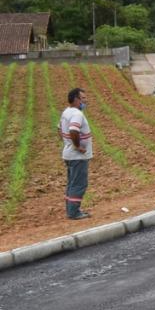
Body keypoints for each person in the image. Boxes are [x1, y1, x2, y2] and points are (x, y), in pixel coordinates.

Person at [59, 87, 93, 220]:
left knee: (72, 183)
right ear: (76, 99)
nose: (85, 100)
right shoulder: (77, 114)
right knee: (79, 184)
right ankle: (74, 212)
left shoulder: (66, 112)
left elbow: (59, 129)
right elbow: (73, 130)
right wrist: (78, 146)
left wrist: (67, 142)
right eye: (83, 98)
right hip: (77, 156)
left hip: (68, 154)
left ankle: (70, 209)